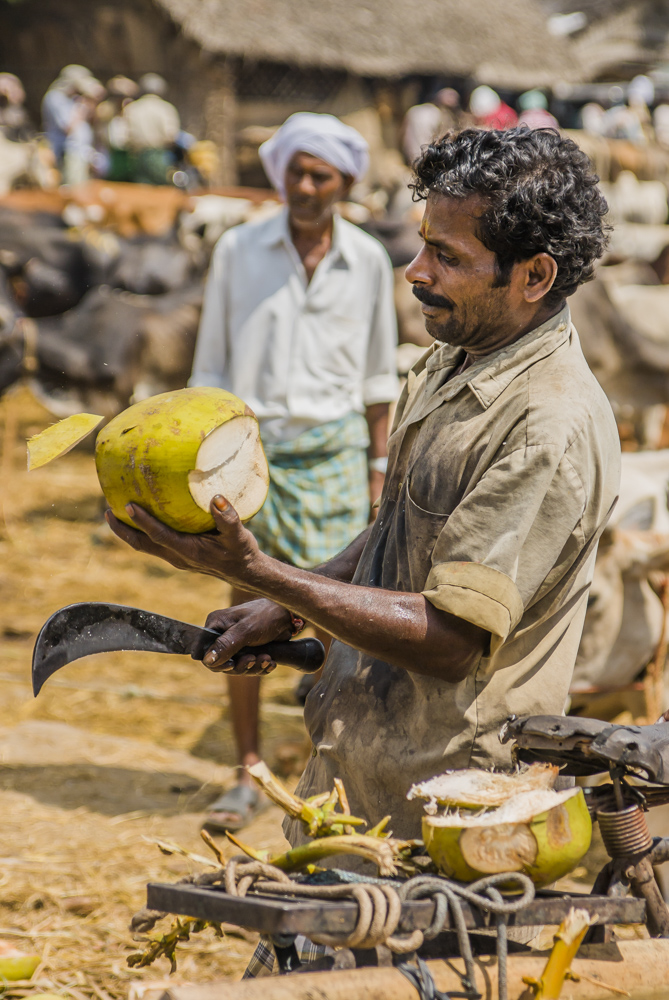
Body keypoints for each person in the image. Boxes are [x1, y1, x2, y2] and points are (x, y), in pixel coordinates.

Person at [106, 127, 619, 861]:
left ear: (533, 277)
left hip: (445, 811)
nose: (414, 271)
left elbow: (449, 640)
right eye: (422, 245)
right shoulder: (454, 360)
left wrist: (256, 572)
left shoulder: (545, 425)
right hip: (354, 777)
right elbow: (392, 535)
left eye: (447, 256)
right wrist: (282, 606)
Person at [187, 111, 399, 831]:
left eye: (322, 175)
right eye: (297, 172)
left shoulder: (368, 259)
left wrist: (379, 470)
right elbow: (209, 367)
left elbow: (377, 380)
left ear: (344, 182)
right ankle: (246, 768)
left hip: (337, 450)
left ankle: (328, 764)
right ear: (279, 176)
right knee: (243, 602)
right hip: (250, 453)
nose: (307, 186)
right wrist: (209, 461)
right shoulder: (239, 251)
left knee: (336, 608)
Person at [124, 73, 180, 184]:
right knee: (161, 192)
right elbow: (171, 136)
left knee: (141, 192)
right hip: (159, 156)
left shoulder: (132, 108)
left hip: (137, 158)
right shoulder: (165, 108)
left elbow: (126, 137)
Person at [401, 88, 463, 163]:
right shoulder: (438, 115)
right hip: (426, 158)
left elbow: (402, 133)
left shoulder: (413, 110)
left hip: (411, 156)